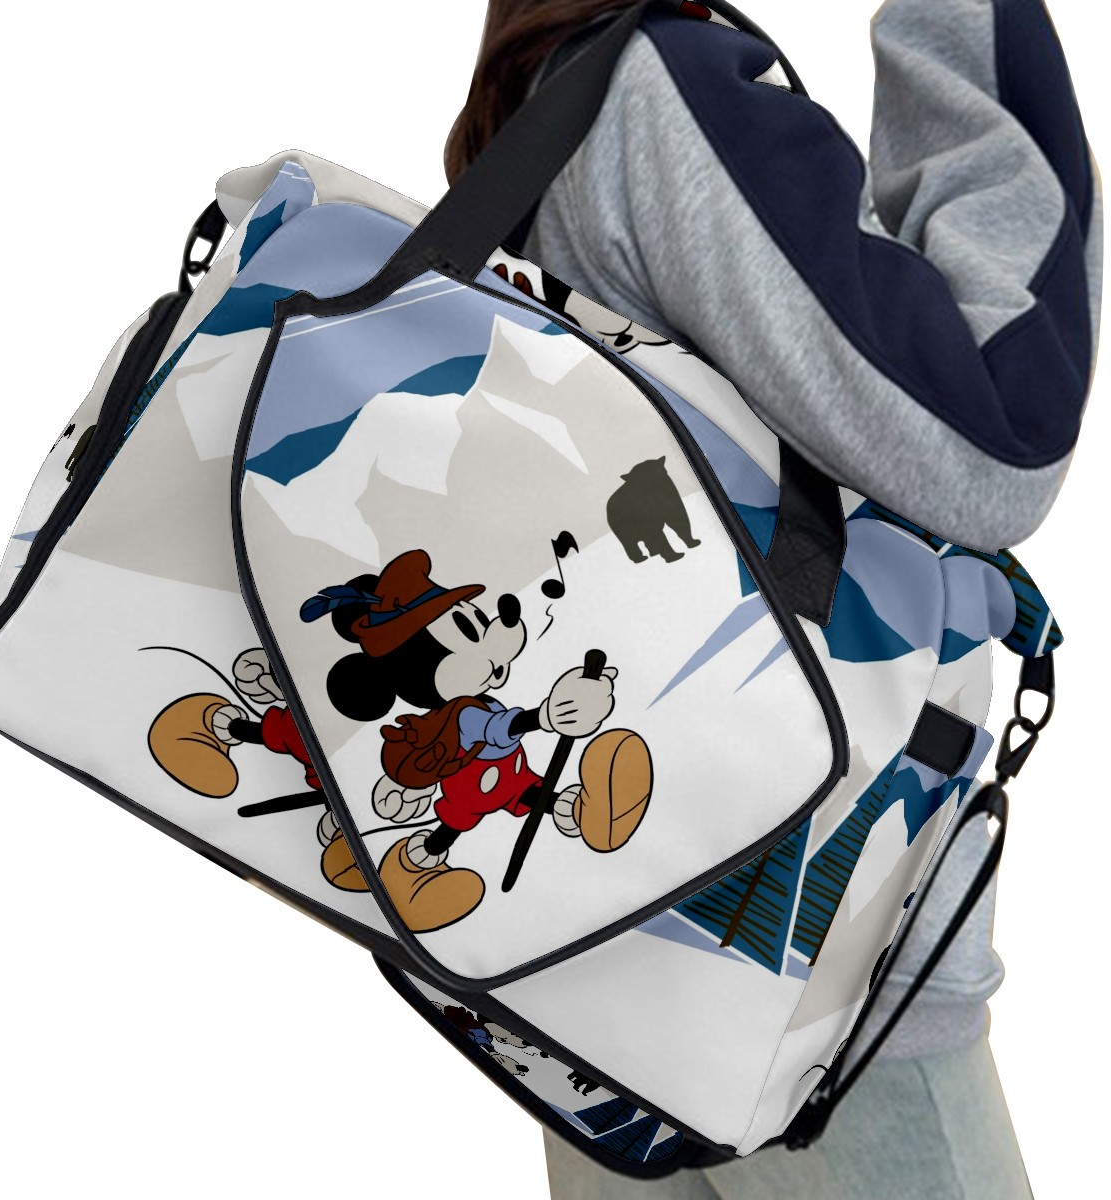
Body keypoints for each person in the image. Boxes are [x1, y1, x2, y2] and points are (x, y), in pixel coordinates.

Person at [444, 1, 1101, 1197]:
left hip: (586, 977)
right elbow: (996, 434)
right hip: (810, 994)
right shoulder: (663, 92)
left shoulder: (536, 126)